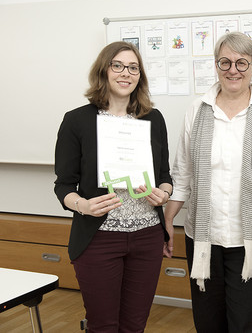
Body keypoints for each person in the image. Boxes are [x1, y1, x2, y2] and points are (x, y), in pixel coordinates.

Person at [164, 31, 252, 332]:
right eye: (225, 62)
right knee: (209, 321)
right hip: (204, 238)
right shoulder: (197, 110)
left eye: (241, 63)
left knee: (250, 324)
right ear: (216, 65)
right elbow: (183, 173)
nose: (232, 70)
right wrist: (168, 220)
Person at [54, 41, 173, 333]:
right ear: (104, 71)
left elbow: (165, 176)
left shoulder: (153, 119)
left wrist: (164, 193)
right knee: (103, 325)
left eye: (133, 67)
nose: (125, 73)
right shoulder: (77, 121)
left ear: (139, 76)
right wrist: (83, 205)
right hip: (99, 239)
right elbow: (64, 185)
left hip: (146, 238)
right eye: (117, 65)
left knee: (135, 325)